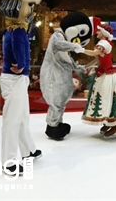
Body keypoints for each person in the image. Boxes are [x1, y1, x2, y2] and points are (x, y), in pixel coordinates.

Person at [0, 0, 52, 176]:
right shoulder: (17, 31)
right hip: (16, 78)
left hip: (13, 78)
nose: (30, 9)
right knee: (13, 120)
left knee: (21, 117)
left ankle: (28, 150)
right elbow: (20, 54)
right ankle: (9, 161)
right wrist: (22, 67)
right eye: (27, 5)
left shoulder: (12, 30)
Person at [40, 12, 92, 141]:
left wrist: (78, 67)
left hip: (61, 77)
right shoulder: (57, 36)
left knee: (60, 103)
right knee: (56, 102)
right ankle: (52, 127)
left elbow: (66, 59)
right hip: (53, 77)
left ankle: (57, 123)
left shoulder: (64, 40)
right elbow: (58, 46)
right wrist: (75, 47)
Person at [82, 24, 116, 138]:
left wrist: (80, 49)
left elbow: (94, 53)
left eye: (98, 31)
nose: (96, 33)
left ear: (104, 33)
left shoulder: (104, 43)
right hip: (104, 75)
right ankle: (108, 122)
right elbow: (97, 59)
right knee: (105, 98)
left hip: (108, 76)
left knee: (107, 98)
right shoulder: (103, 44)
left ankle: (115, 125)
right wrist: (86, 66)